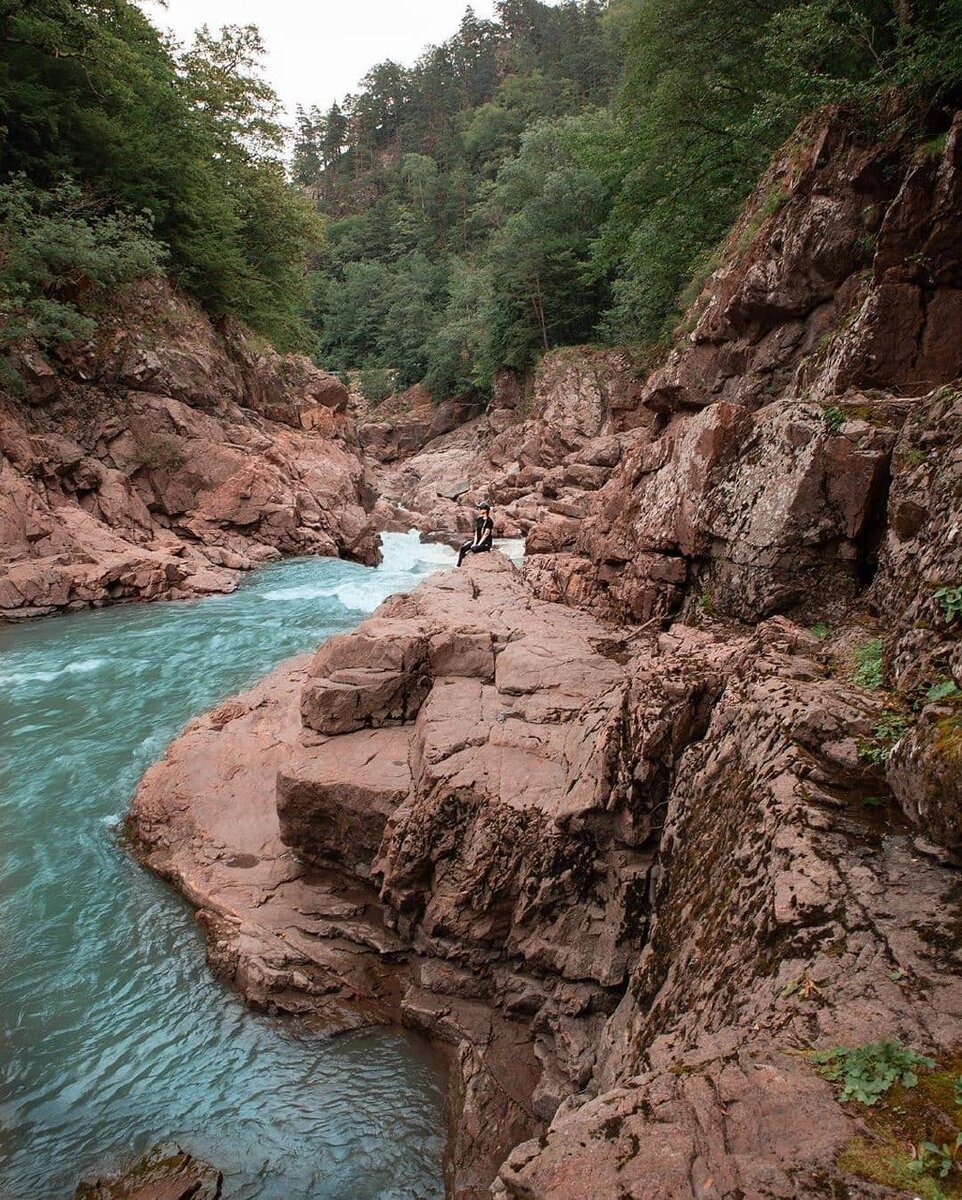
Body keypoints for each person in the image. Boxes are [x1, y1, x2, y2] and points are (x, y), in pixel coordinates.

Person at [457, 502, 494, 567]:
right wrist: (474, 542)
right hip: (478, 540)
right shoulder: (479, 519)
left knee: (474, 549)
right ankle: (459, 564)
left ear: (485, 510)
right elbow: (477, 532)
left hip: (485, 543)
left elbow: (486, 534)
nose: (479, 510)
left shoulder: (489, 521)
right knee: (463, 548)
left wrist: (478, 544)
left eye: (481, 508)